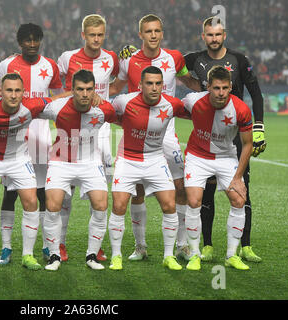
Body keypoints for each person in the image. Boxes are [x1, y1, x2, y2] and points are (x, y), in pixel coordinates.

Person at [109, 14, 200, 262]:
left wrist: (212, 90)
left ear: (162, 33)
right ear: (140, 34)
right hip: (137, 131)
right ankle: (141, 247)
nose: (153, 35)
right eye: (148, 31)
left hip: (166, 131)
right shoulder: (128, 60)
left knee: (180, 187)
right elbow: (116, 88)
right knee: (137, 190)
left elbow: (187, 80)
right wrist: (95, 94)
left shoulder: (174, 58)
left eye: (157, 31)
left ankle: (181, 245)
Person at [184, 17, 265, 262]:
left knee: (241, 190)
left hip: (236, 134)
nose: (214, 39)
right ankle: (206, 245)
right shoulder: (194, 59)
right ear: (203, 36)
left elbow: (257, 94)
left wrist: (259, 127)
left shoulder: (240, 60)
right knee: (205, 195)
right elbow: (168, 64)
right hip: (207, 133)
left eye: (218, 34)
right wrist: (133, 56)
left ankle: (245, 246)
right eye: (210, 35)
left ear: (224, 35)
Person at [0, 73, 65, 271]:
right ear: (0, 91)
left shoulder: (32, 106)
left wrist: (79, 95)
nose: (13, 95)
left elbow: (56, 99)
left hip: (19, 159)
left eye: (17, 90)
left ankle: (27, 255)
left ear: (23, 93)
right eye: (9, 90)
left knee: (31, 201)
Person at [0, 23, 63, 265]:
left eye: (35, 39)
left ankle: (43, 246)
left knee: (41, 192)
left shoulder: (50, 65)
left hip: (41, 135)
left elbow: (61, 97)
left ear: (40, 40)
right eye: (27, 40)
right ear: (20, 42)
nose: (31, 43)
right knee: (10, 193)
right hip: (13, 135)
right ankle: (7, 248)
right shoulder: (7, 65)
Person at [109, 66, 191, 271]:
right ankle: (119, 254)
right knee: (119, 205)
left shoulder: (172, 104)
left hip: (155, 160)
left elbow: (198, 115)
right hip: (128, 159)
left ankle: (168, 255)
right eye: (149, 83)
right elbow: (108, 113)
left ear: (163, 85)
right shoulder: (124, 101)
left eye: (158, 84)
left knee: (169, 205)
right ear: (140, 85)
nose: (154, 88)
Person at [40, 69, 118, 271]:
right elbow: (29, 108)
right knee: (53, 205)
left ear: (95, 91)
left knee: (101, 206)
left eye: (89, 90)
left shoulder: (104, 109)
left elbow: (124, 117)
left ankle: (92, 255)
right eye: (80, 89)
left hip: (90, 161)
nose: (85, 94)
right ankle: (54, 254)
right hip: (60, 161)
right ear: (72, 90)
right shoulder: (56, 108)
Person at [56, 14, 119, 262]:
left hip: (100, 129)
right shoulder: (67, 58)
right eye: (92, 35)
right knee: (65, 188)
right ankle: (59, 245)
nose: (96, 39)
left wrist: (102, 99)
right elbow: (55, 86)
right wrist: (67, 102)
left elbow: (117, 83)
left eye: (100, 35)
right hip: (70, 128)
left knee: (99, 190)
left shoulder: (111, 59)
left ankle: (96, 246)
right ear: (83, 35)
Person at [181, 65, 253, 271]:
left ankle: (231, 255)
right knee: (194, 201)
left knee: (239, 199)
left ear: (230, 87)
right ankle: (195, 254)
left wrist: (238, 178)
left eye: (224, 88)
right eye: (216, 88)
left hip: (225, 156)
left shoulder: (241, 109)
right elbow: (175, 110)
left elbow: (247, 144)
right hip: (197, 156)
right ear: (208, 87)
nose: (221, 93)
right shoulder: (193, 100)